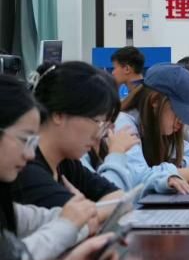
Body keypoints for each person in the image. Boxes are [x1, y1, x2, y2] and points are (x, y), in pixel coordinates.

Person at [101, 63, 189, 196]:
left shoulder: (161, 128)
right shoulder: (123, 125)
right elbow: (138, 178)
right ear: (155, 101)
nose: (182, 121)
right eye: (178, 112)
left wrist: (178, 166)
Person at [14, 63, 124, 213]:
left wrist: (89, 212)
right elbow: (74, 219)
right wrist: (88, 212)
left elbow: (119, 198)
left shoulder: (66, 163)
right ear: (59, 115)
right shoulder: (27, 169)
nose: (99, 135)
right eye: (98, 122)